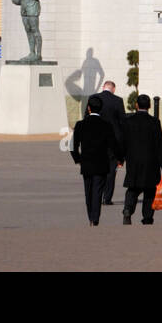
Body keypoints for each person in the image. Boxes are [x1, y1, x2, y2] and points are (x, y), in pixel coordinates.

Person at [70, 93, 120, 226]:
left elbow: (72, 146)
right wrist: (119, 158)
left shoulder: (81, 124)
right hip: (102, 163)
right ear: (101, 109)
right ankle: (95, 218)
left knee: (88, 191)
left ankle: (90, 217)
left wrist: (78, 159)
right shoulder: (106, 125)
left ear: (89, 109)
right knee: (97, 191)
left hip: (86, 163)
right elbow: (113, 145)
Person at [121, 93, 162, 225]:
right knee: (149, 190)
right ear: (149, 106)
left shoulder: (128, 121)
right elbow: (159, 146)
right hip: (151, 162)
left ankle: (128, 209)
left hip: (133, 161)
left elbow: (123, 142)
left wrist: (120, 159)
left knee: (133, 188)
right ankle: (147, 217)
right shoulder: (154, 122)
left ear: (136, 105)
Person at [98, 79, 127, 205]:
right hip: (113, 141)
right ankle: (107, 197)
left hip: (98, 139)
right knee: (111, 170)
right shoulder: (118, 100)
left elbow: (87, 118)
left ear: (103, 87)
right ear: (113, 89)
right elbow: (122, 122)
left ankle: (97, 195)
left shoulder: (94, 98)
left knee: (98, 169)